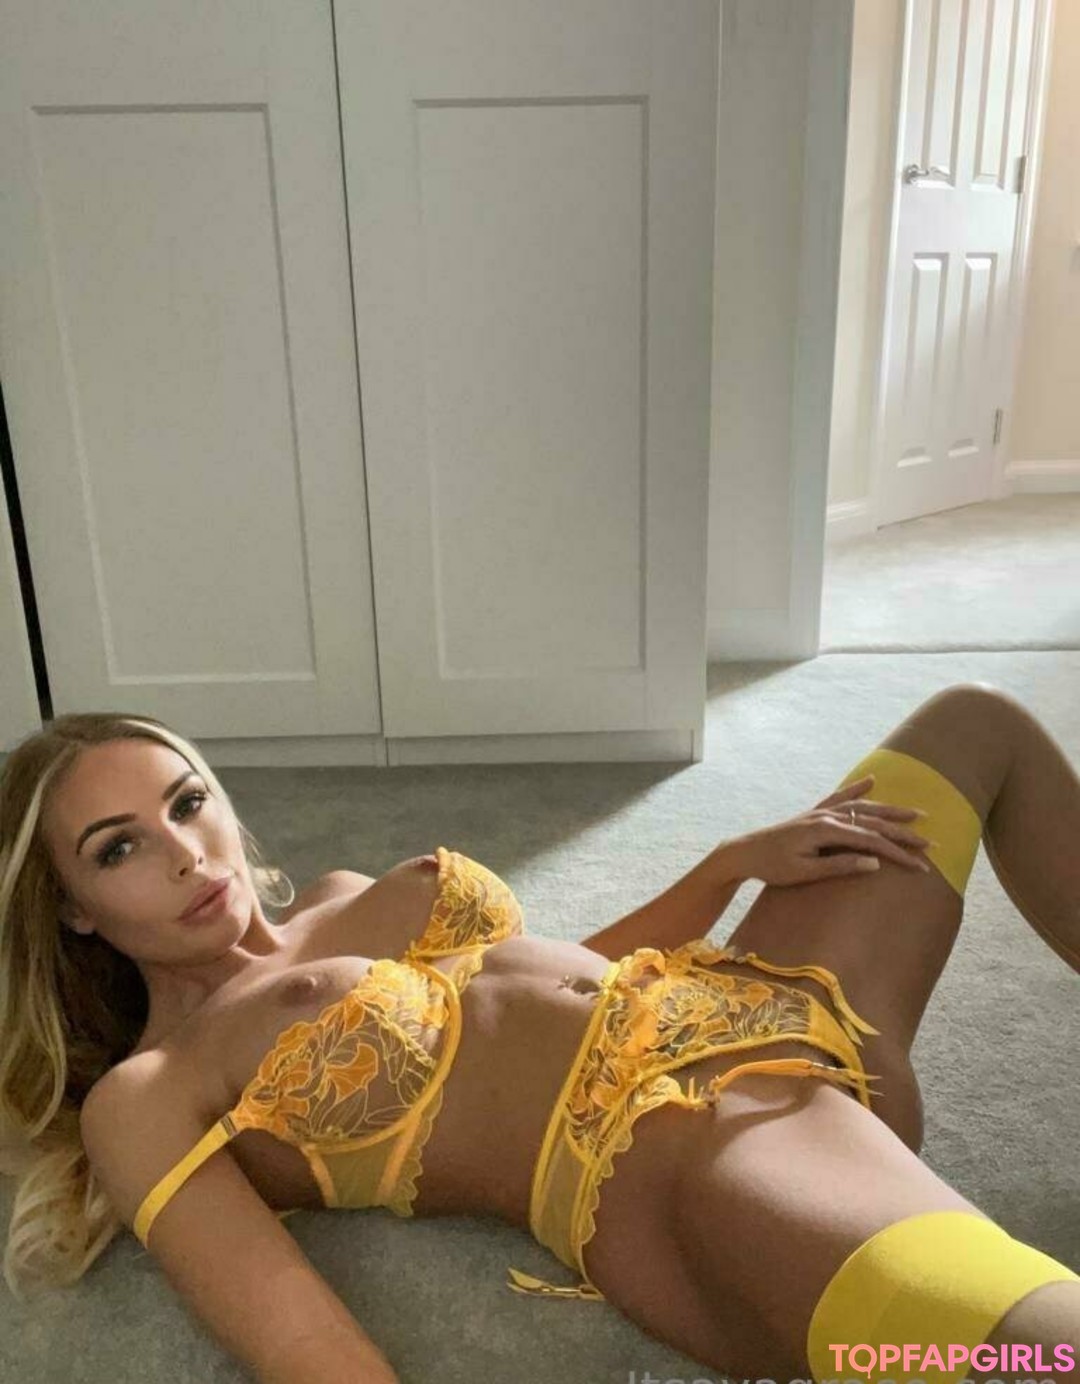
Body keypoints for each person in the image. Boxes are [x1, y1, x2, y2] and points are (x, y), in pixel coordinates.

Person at [0, 681, 1077, 1384]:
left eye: (188, 803)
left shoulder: (340, 894)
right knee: (1048, 1353)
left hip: (751, 998)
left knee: (974, 725)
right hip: (688, 1152)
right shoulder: (148, 1092)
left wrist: (724, 870)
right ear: (73, 910)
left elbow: (539, 981)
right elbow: (304, 1343)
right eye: (118, 849)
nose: (187, 855)